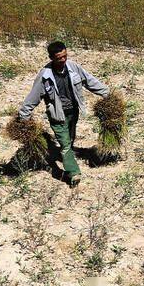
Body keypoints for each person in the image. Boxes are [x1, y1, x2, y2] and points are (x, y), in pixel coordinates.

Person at [17, 41, 109, 188]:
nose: (63, 60)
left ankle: (67, 156)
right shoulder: (45, 77)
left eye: (65, 56)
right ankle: (73, 173)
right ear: (51, 58)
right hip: (57, 116)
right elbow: (33, 98)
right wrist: (24, 116)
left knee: (70, 138)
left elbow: (89, 81)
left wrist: (107, 94)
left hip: (73, 111)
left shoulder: (73, 68)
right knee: (65, 144)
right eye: (59, 58)